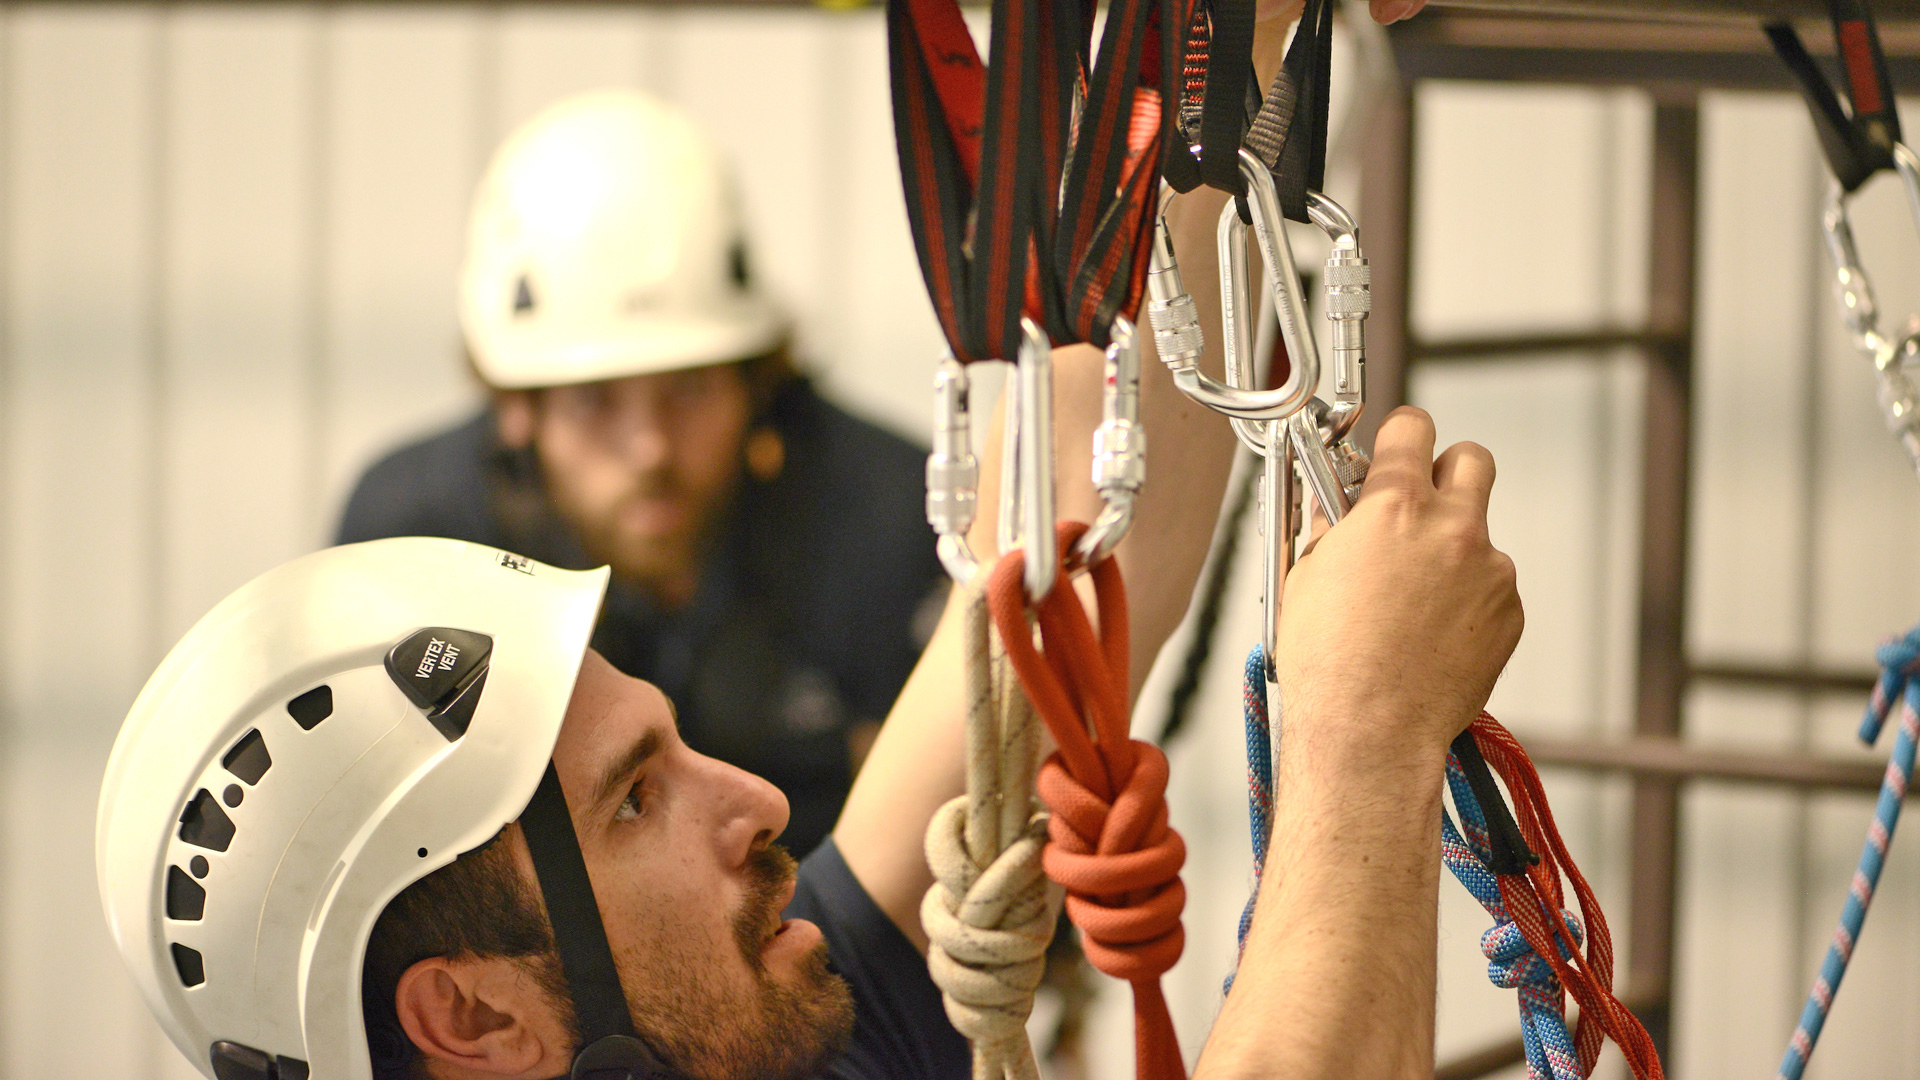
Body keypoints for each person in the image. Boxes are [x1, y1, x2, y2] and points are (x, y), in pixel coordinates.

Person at [99, 6, 1484, 1079]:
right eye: (635, 796)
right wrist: (1366, 736)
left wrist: (1210, 43)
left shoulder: (745, 1025)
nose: (760, 797)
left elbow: (1081, 518)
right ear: (470, 1014)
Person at [335, 90, 944, 858]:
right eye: (595, 400)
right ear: (518, 409)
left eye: (689, 389)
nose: (650, 447)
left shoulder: (889, 513)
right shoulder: (415, 542)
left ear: (754, 382)